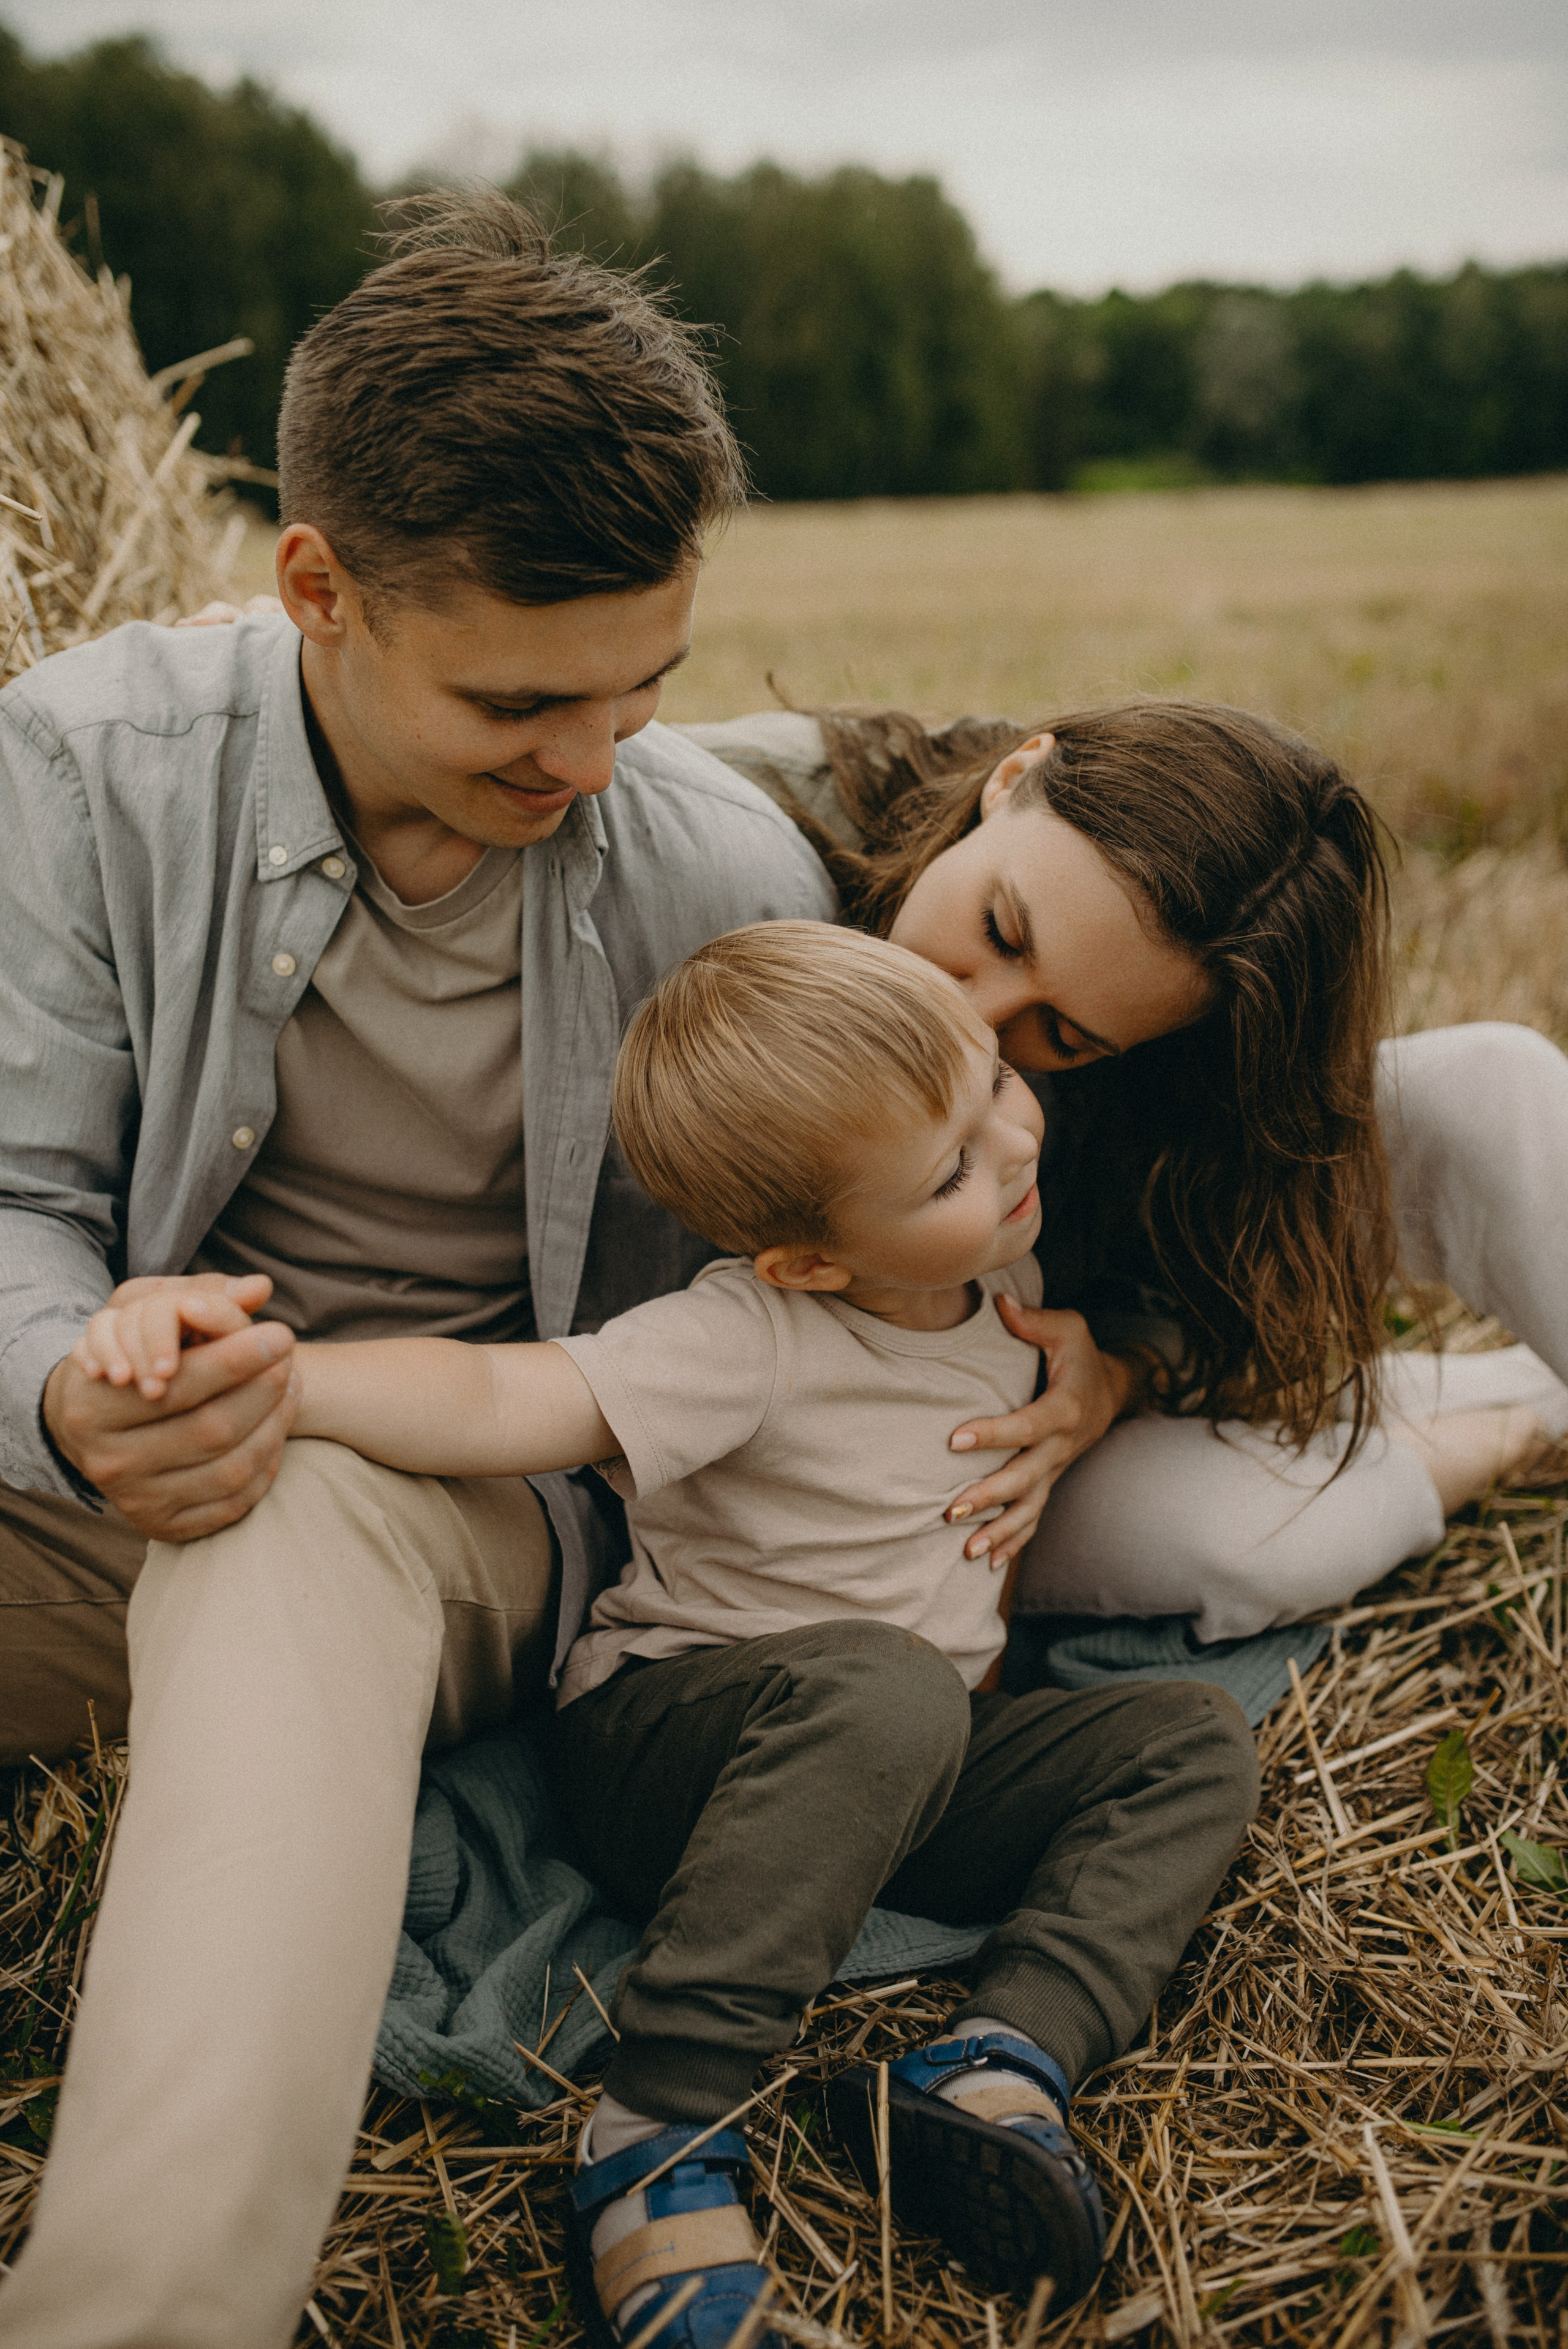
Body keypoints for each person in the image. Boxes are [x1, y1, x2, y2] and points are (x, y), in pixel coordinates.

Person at [0, 194, 836, 2349]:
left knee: (291, 1501)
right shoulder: (86, 771)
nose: (593, 760)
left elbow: (884, 1224)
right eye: (521, 702)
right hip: (91, 1475)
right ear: (318, 587)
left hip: (453, 1518)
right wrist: (66, 1385)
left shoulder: (721, 874)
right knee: (220, 1480)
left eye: (645, 688)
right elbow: (8, 1194)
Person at [74, 922, 1262, 2341]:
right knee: (883, 1691)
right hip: (683, 1745)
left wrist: (1108, 1371)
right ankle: (656, 2126)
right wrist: (289, 1379)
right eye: (947, 1166)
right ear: (809, 1261)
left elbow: (1175, 1324)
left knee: (1186, 1734)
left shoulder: (1003, 1270)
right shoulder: (748, 1336)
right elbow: (505, 1400)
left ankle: (999, 2053)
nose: (1010, 1144)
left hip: (905, 1759)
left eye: (994, 1084)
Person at [682, 701, 1568, 1635]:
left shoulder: (1163, 1067)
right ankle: (1511, 1422)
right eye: (1001, 929)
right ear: (1015, 776)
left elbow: (1190, 1268)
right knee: (1260, 1539)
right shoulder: (747, 819)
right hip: (834, 1488)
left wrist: (1116, 1377)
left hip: (1009, 1393)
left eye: (1062, 1035)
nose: (973, 1021)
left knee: (1493, 1084)